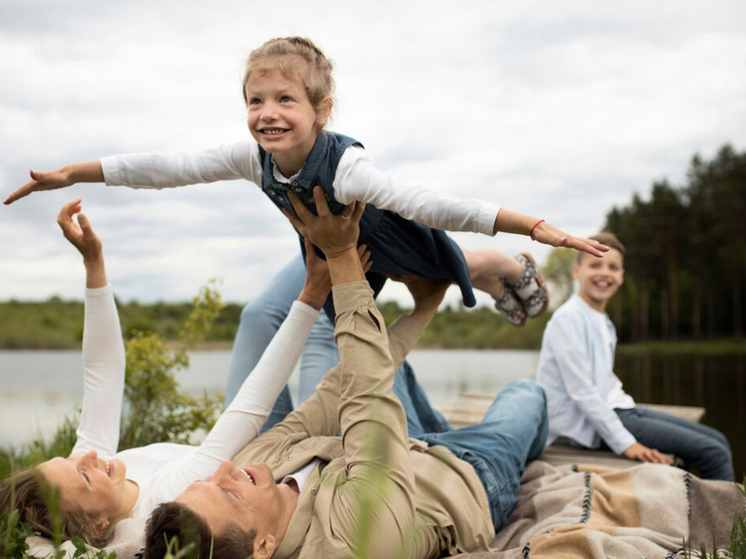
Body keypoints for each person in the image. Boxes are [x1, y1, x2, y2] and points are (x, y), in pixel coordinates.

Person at [5, 37, 609, 331]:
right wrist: (72, 173)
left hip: (390, 234)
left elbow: (429, 202)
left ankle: (508, 265)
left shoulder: (347, 167)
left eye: (285, 99)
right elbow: (168, 168)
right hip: (331, 250)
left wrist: (533, 223)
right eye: (255, 99)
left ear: (321, 110)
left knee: (441, 264)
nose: (267, 112)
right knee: (359, 322)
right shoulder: (252, 158)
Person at [144, 187, 549, 559]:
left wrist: (424, 308)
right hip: (468, 474)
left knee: (378, 366)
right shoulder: (351, 541)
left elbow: (335, 395)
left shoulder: (255, 465)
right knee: (526, 394)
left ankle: (469, 268)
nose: (225, 470)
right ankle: (482, 266)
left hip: (407, 442)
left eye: (209, 481)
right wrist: (342, 261)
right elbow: (367, 396)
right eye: (228, 495)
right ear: (262, 546)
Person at [0, 198, 373, 546]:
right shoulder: (168, 495)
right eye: (83, 474)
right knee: (336, 346)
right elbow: (250, 407)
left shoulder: (100, 470)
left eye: (69, 459)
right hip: (270, 455)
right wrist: (310, 296)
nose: (87, 457)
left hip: (247, 443)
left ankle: (336, 232)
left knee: (256, 318)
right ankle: (357, 236)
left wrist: (93, 263)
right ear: (100, 524)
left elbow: (103, 373)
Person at [535, 232, 734, 481]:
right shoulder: (567, 319)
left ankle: (721, 516)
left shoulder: (603, 321)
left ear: (621, 276)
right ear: (577, 271)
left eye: (613, 267)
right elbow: (582, 392)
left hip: (619, 408)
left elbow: (604, 383)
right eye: (595, 264)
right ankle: (726, 520)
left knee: (719, 440)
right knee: (713, 453)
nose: (604, 273)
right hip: (587, 427)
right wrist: (625, 443)